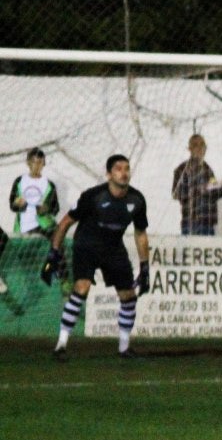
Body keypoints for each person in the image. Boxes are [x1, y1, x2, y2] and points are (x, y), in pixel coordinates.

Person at [41, 154, 150, 360]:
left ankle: (124, 348)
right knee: (82, 288)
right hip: (86, 245)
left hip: (114, 248)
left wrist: (145, 267)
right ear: (108, 174)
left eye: (126, 168)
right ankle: (61, 345)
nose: (124, 172)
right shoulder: (93, 196)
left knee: (128, 296)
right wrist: (53, 253)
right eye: (118, 168)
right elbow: (65, 223)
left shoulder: (137, 200)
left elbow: (140, 232)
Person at [171, 134, 222, 236]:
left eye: (202, 145)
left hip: (208, 223)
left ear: (206, 148)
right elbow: (175, 194)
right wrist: (197, 189)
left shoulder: (208, 169)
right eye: (195, 145)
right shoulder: (181, 169)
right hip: (189, 223)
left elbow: (213, 193)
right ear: (189, 149)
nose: (199, 148)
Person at [10, 147, 60, 237]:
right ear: (28, 163)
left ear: (44, 164)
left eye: (40, 162)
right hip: (23, 229)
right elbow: (12, 206)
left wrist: (46, 209)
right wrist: (17, 204)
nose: (37, 166)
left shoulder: (49, 185)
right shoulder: (19, 181)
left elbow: (56, 208)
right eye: (34, 162)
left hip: (44, 228)